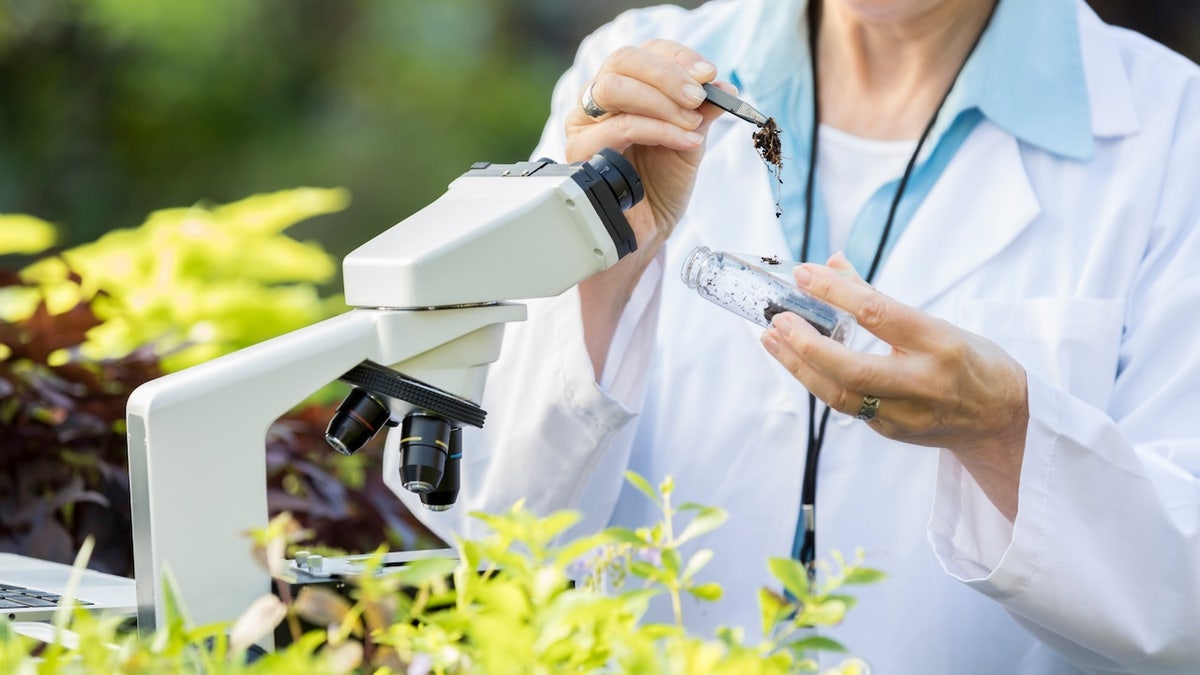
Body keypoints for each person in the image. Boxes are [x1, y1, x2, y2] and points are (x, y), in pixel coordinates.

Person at [392, 0, 1200, 671]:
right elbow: (492, 524)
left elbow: (1185, 605)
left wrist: (1008, 434)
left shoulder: (1170, 138)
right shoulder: (632, 77)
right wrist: (602, 278)